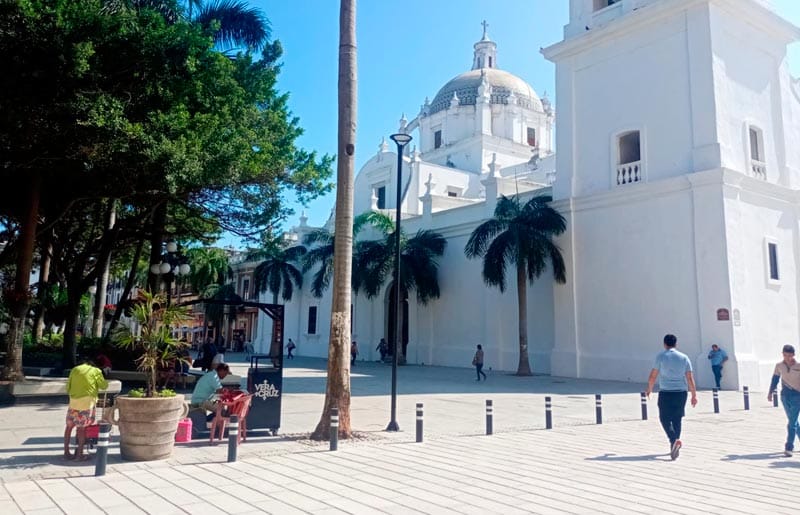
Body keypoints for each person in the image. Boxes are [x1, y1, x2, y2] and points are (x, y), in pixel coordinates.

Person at [645, 334, 698, 460]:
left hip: (666, 392)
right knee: (677, 418)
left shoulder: (661, 356)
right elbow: (690, 377)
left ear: (665, 344)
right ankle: (674, 444)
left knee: (664, 418)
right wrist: (694, 395)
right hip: (681, 392)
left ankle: (673, 440)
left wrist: (650, 389)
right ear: (676, 344)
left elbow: (653, 375)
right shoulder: (684, 357)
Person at [64, 359, 108, 461]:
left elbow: (67, 387)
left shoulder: (74, 369)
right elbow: (104, 386)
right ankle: (79, 455)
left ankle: (66, 452)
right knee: (81, 429)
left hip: (73, 402)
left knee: (69, 427)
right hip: (87, 403)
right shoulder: (95, 371)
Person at [768, 344, 800, 457]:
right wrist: (770, 392)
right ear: (782, 354)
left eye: (790, 355)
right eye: (785, 355)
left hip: (797, 396)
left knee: (792, 423)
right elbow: (775, 379)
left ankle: (789, 447)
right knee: (794, 422)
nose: (787, 358)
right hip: (785, 396)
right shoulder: (779, 365)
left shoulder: (798, 366)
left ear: (794, 355)